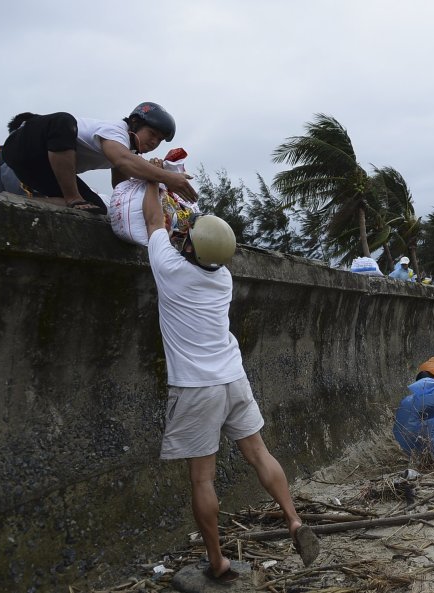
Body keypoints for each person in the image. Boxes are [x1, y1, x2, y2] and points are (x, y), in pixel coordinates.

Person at [141, 182, 318, 584]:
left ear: (190, 248)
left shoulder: (169, 269)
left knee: (203, 478)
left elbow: (153, 219)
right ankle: (293, 521)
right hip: (234, 379)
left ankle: (218, 562)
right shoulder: (222, 278)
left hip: (195, 388)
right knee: (259, 453)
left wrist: (151, 177)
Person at [1, 102, 198, 214]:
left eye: (160, 140)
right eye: (152, 134)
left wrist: (154, 190)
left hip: (41, 169)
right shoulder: (116, 132)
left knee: (98, 209)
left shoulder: (128, 151)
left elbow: (121, 187)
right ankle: (72, 197)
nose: (154, 142)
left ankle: (21, 202)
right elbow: (123, 161)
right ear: (135, 123)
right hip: (23, 145)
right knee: (63, 121)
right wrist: (167, 177)